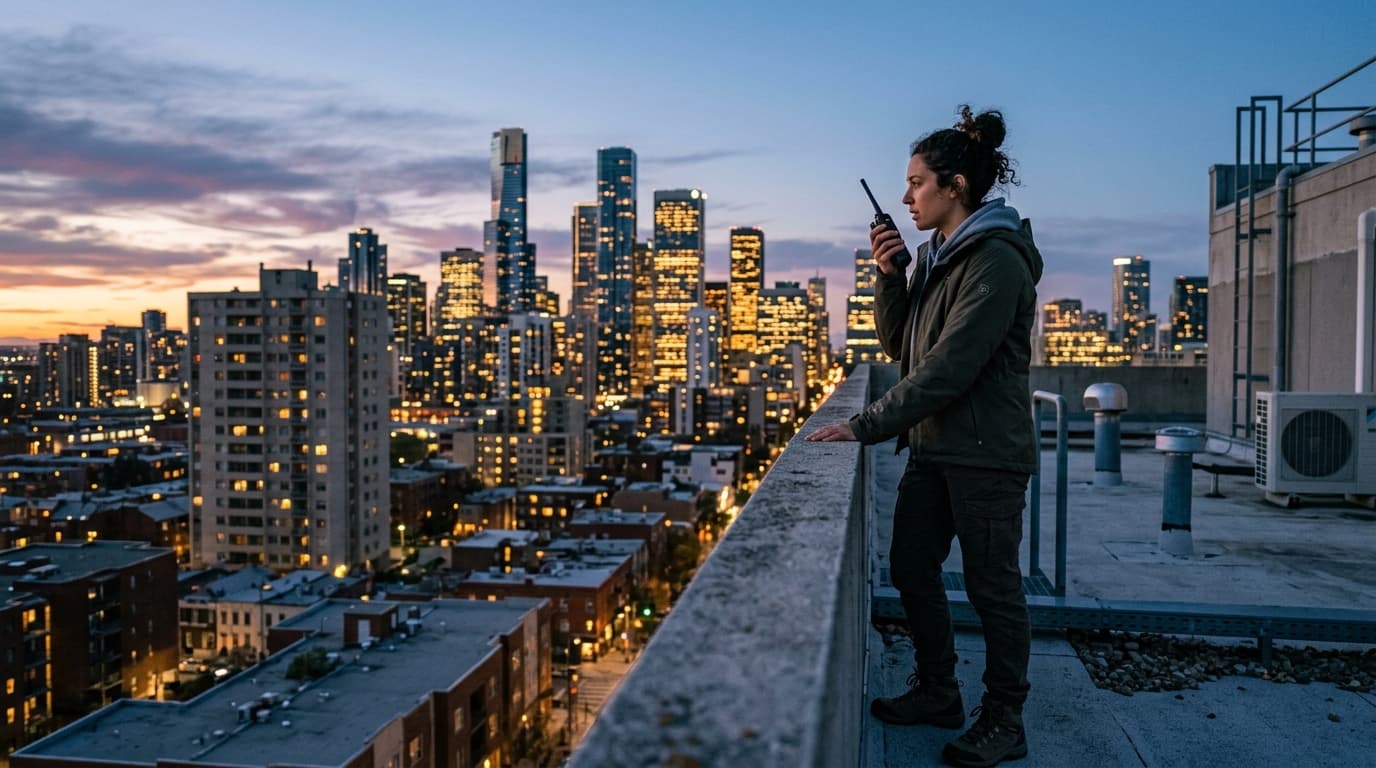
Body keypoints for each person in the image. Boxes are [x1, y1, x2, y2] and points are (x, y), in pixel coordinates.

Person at [807, 105, 1042, 768]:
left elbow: (948, 369)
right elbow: (902, 347)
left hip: (985, 455)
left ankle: (1005, 719)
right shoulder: (943, 258)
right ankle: (938, 689)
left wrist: (863, 425)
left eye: (916, 183)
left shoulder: (996, 261)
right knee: (911, 567)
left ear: (956, 186)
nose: (907, 196)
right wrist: (893, 276)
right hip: (935, 448)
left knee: (993, 588)